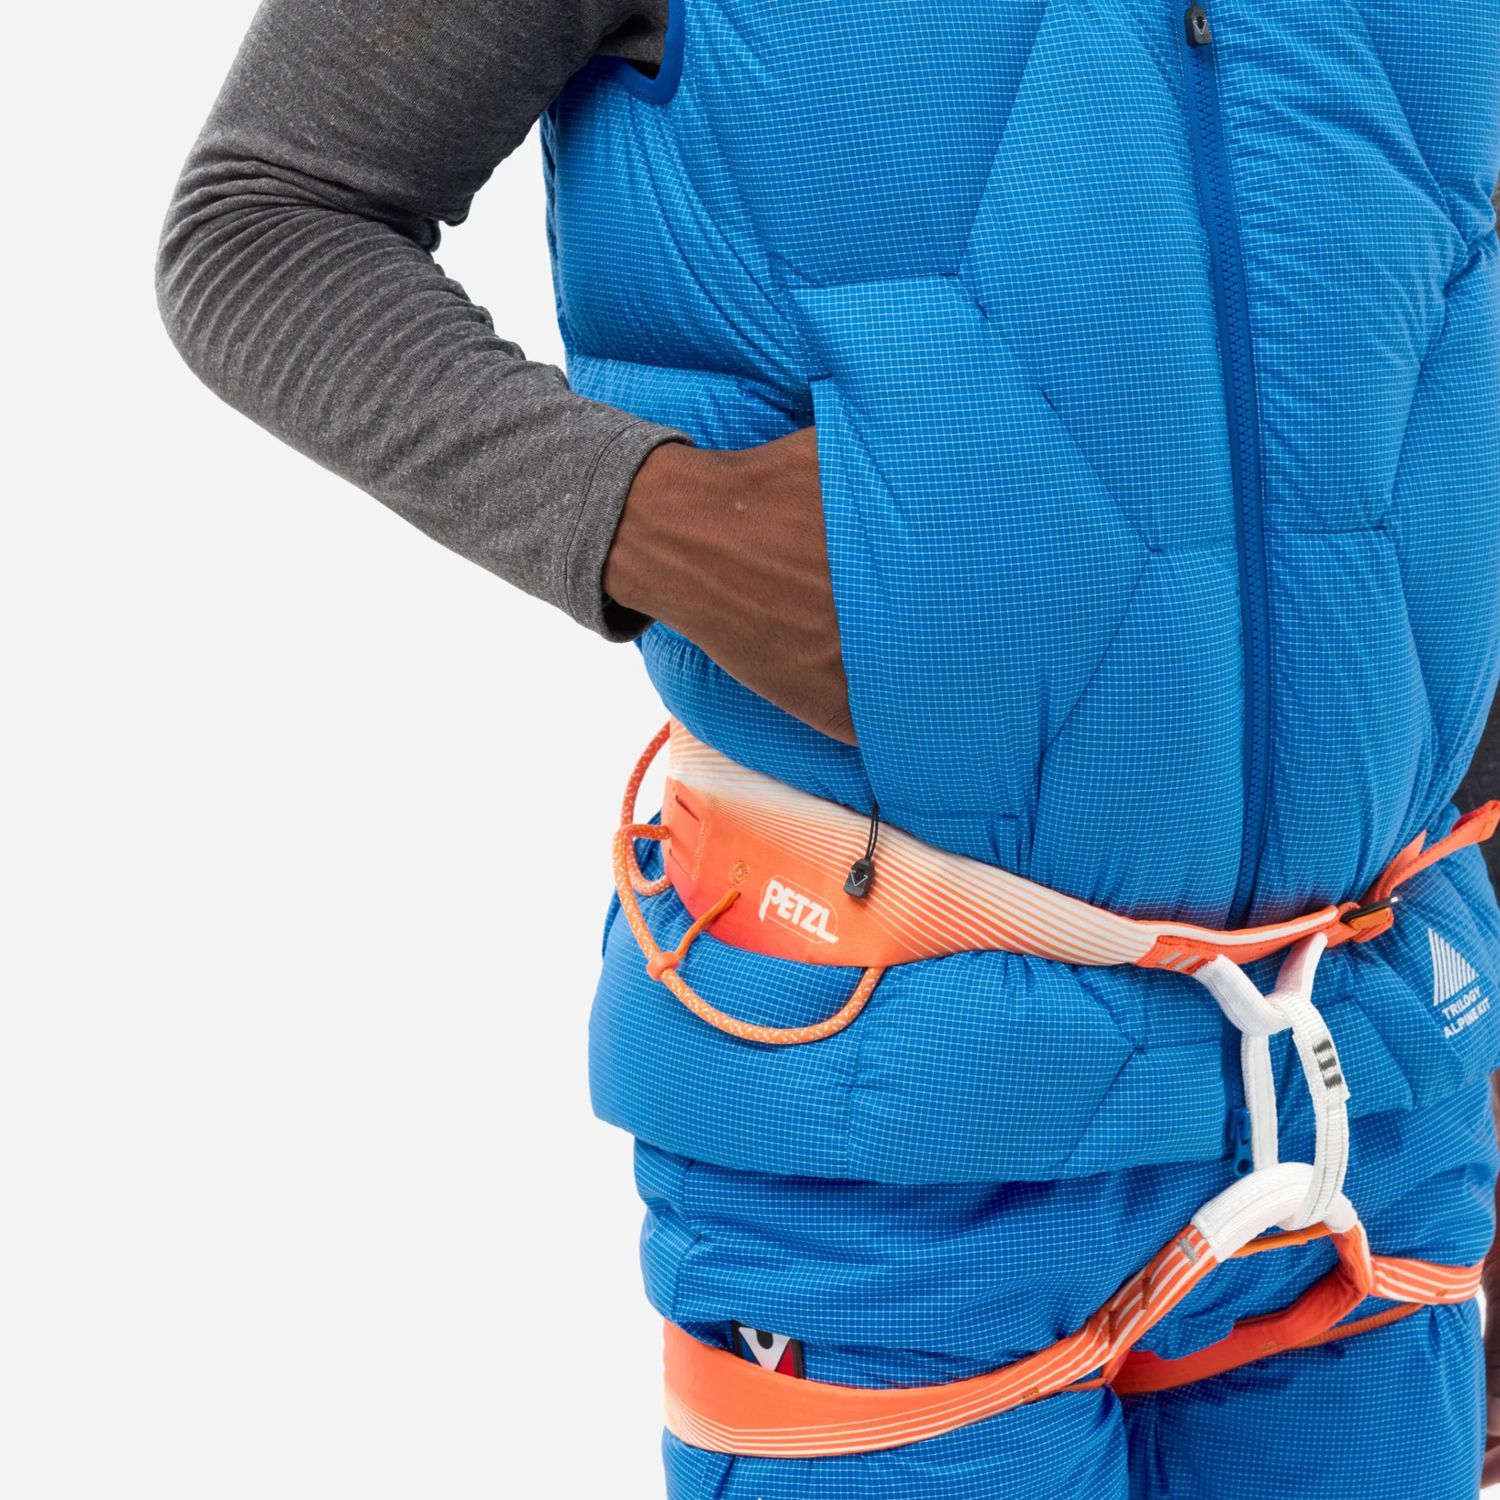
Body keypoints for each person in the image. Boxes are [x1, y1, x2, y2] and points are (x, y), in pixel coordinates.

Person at [159, 3, 1500, 1495]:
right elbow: (263, 218)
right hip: (890, 1137)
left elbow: (1434, 338)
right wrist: (656, 522)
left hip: (1373, 1104)